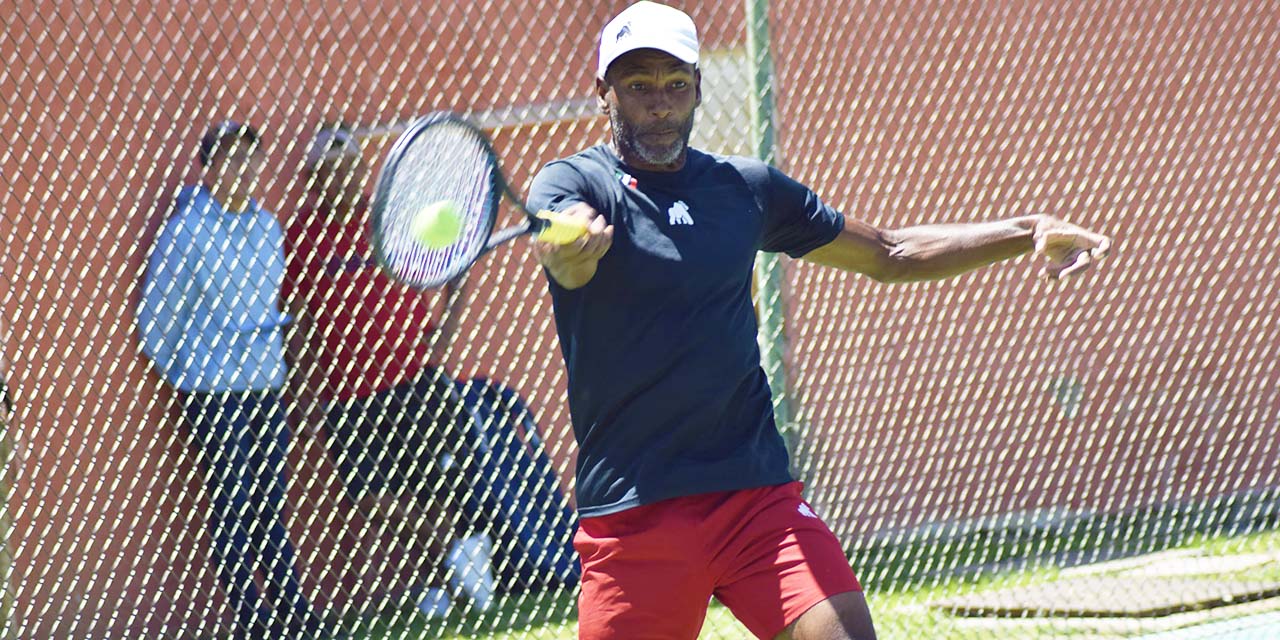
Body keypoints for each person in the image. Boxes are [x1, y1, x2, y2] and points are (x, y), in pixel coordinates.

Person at [525, 3, 1113, 639]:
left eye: (675, 83)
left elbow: (890, 253)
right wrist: (568, 253)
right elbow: (569, 266)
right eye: (638, 86)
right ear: (603, 93)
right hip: (636, 514)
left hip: (754, 498)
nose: (659, 103)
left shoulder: (742, 188)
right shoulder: (573, 183)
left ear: (697, 87)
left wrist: (1027, 230)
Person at [284, 125, 495, 618]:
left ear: (361, 169)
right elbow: (295, 318)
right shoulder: (301, 235)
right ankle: (452, 551)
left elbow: (454, 263)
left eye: (348, 167)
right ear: (313, 180)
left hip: (413, 382)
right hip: (347, 394)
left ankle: (444, 582)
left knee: (432, 486)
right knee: (371, 496)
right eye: (327, 171)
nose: (339, 178)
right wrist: (303, 396)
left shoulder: (393, 217)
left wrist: (445, 330)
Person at [137, 121, 333, 639]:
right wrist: (190, 373)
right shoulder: (186, 233)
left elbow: (272, 300)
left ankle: (294, 612)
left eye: (250, 160)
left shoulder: (268, 226)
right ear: (207, 168)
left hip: (266, 383)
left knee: (271, 501)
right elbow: (157, 320)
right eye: (229, 160)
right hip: (212, 389)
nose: (242, 170)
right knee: (233, 500)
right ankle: (253, 618)